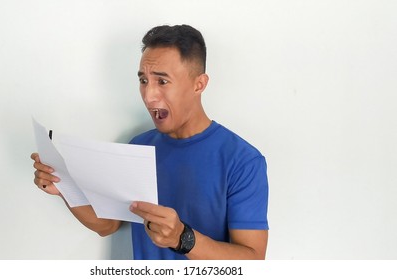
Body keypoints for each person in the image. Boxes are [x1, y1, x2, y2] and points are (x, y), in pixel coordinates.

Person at [31, 24, 269, 260]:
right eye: (143, 80)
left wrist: (183, 238)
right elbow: (108, 225)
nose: (148, 95)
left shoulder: (243, 160)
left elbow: (253, 260)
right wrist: (63, 186)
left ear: (199, 84)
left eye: (162, 81)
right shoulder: (138, 146)